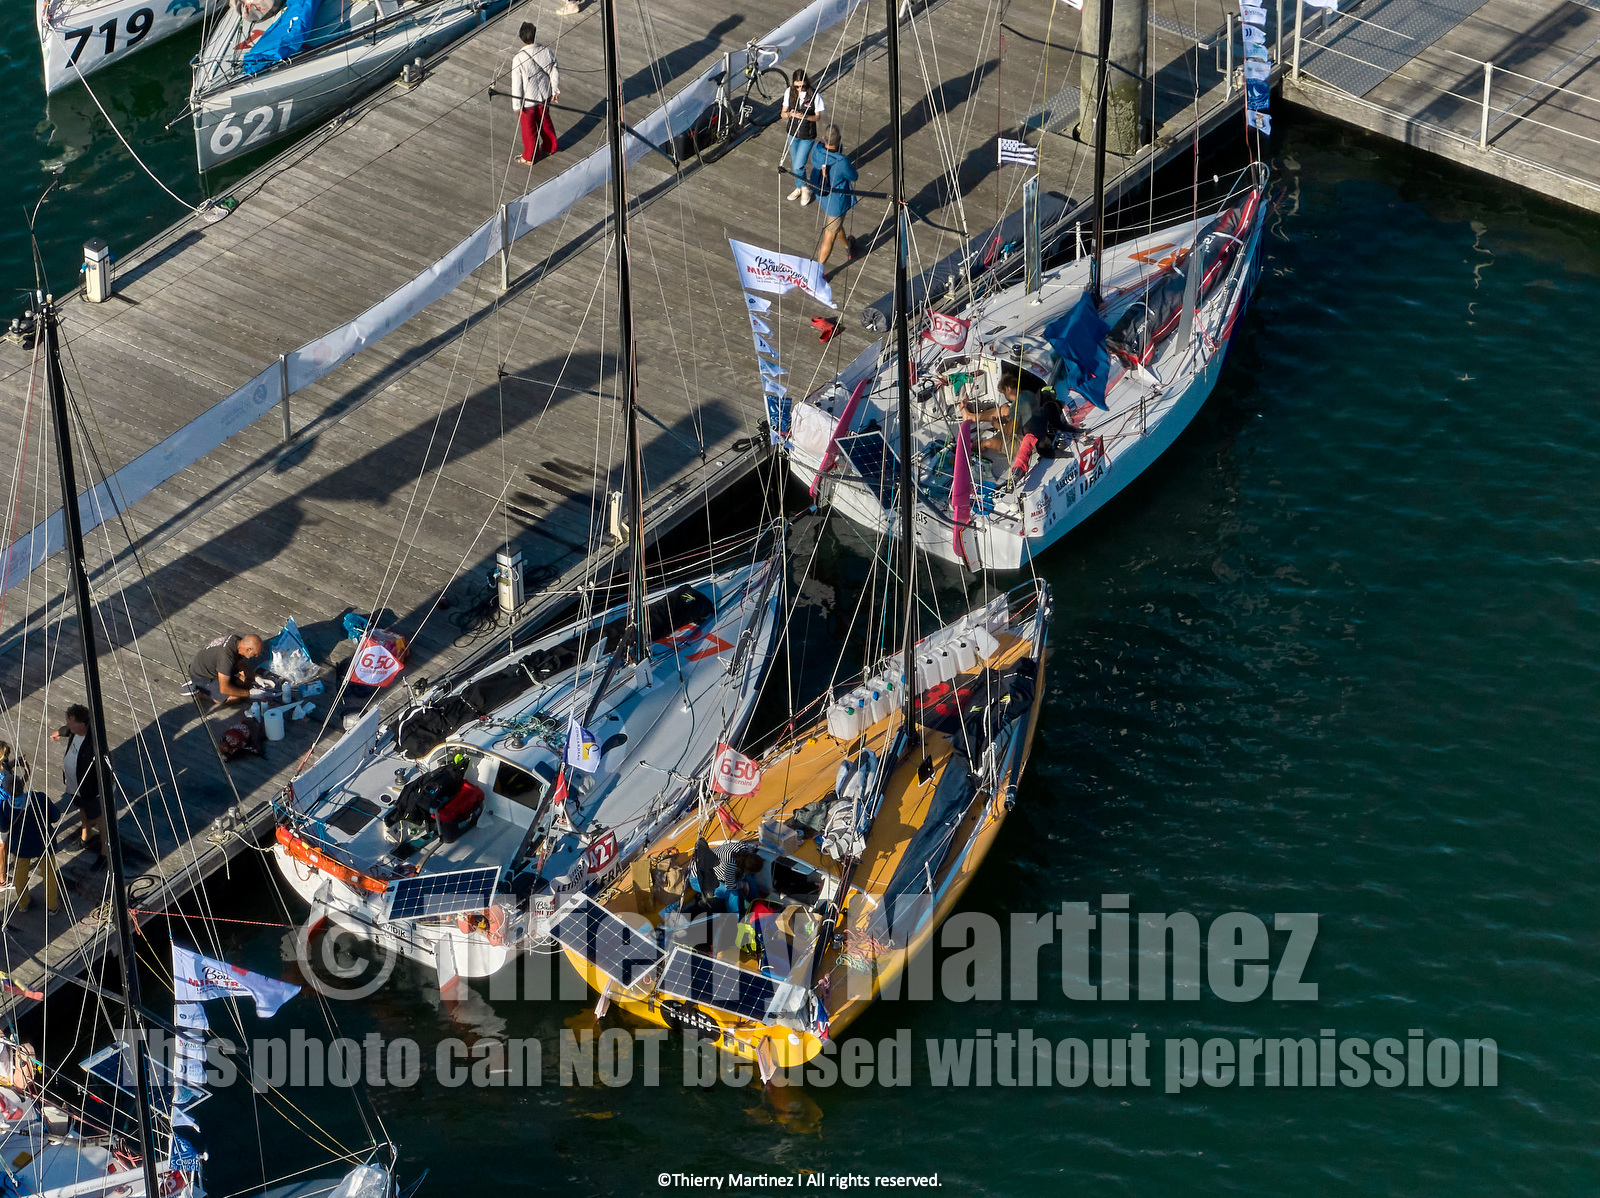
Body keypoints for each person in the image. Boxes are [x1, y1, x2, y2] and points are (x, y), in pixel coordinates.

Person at [49, 705, 105, 869]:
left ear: (82, 724)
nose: (67, 724)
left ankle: (105, 853)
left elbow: (104, 768)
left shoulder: (95, 743)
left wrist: (97, 792)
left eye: (70, 721)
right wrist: (59, 732)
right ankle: (85, 838)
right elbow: (67, 729)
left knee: (101, 821)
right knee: (82, 810)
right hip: (75, 787)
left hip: (92, 791)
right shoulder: (75, 731)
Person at [1, 786, 59, 915]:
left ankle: (23, 904)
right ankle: (52, 906)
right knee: (49, 874)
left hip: (21, 846)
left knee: (19, 875)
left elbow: (3, 827)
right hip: (43, 842)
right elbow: (55, 816)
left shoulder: (5, 806)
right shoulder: (39, 798)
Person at [511, 22, 560, 165]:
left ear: (521, 37)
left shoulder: (518, 58)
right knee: (545, 122)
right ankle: (550, 147)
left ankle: (529, 156)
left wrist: (516, 105)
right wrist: (555, 90)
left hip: (528, 100)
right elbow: (554, 71)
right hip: (544, 94)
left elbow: (517, 84)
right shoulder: (546, 51)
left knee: (529, 130)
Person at [809, 126, 858, 266]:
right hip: (836, 202)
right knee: (829, 235)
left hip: (821, 194)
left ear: (823, 138)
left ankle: (848, 246)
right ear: (840, 140)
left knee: (835, 226)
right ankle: (818, 272)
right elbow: (853, 176)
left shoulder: (817, 150)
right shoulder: (842, 161)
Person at [781, 69, 825, 205]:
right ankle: (800, 187)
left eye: (803, 86)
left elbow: (818, 117)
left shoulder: (815, 95)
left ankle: (805, 188)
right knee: (796, 164)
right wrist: (790, 114)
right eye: (797, 86)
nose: (800, 89)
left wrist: (805, 116)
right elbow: (783, 113)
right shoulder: (789, 92)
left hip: (807, 135)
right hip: (792, 133)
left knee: (798, 165)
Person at [187, 632, 265, 705]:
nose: (256, 656)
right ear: (248, 649)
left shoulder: (237, 641)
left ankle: (225, 681)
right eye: (255, 654)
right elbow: (224, 689)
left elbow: (240, 663)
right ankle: (202, 693)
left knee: (246, 682)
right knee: (236, 698)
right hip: (202, 676)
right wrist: (249, 694)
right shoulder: (225, 658)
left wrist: (256, 677)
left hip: (217, 667)